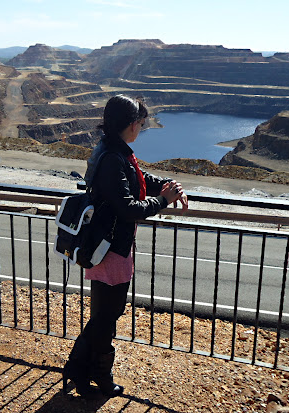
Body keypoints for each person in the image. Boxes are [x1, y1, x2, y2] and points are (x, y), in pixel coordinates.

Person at [63, 95, 188, 397]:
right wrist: (163, 200)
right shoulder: (112, 158)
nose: (142, 128)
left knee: (106, 315)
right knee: (107, 317)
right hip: (109, 251)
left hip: (112, 247)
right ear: (131, 124)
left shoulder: (116, 153)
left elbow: (138, 178)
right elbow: (129, 207)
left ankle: (78, 368)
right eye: (141, 123)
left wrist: (169, 185)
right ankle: (98, 376)